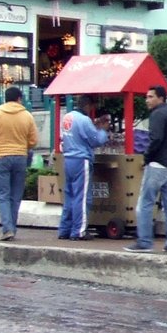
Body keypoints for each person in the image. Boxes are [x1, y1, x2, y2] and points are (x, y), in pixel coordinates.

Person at [125, 85, 167, 254]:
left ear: (161, 98)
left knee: (145, 203)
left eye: (150, 97)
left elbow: (156, 139)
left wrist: (146, 157)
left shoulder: (157, 114)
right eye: (147, 97)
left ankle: (144, 242)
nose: (147, 100)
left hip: (158, 165)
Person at [0, 86, 38, 242]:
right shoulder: (27, 116)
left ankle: (7, 229)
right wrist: (23, 146)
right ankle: (12, 227)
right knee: (16, 196)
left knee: (2, 195)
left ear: (5, 98)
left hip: (0, 156)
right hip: (20, 157)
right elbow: (33, 140)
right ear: (19, 99)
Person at [57, 96, 110, 240]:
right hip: (81, 160)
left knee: (70, 196)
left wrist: (94, 126)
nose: (93, 109)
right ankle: (79, 231)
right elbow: (97, 140)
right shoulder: (84, 120)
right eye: (92, 106)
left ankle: (64, 229)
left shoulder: (68, 117)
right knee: (82, 197)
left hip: (68, 159)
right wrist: (103, 130)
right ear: (88, 105)